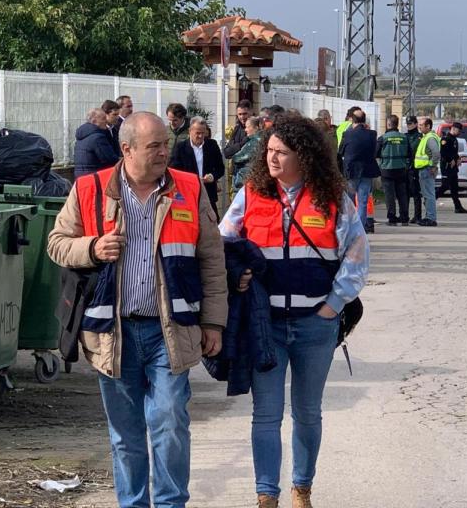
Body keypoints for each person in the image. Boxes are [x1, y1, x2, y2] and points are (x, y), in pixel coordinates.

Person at [47, 112, 227, 508]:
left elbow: (212, 260)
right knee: (125, 435)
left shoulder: (189, 189)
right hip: (113, 335)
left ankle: (170, 503)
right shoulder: (89, 189)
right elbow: (57, 243)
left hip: (171, 332)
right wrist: (91, 248)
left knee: (169, 422)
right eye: (155, 146)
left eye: (166, 144)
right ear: (126, 150)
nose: (165, 152)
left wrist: (214, 321)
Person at [218, 113, 369, 508]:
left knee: (307, 413)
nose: (271, 158)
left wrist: (333, 305)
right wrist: (237, 275)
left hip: (314, 326)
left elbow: (356, 253)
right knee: (265, 414)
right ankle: (266, 495)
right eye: (268, 151)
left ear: (303, 156)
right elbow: (223, 243)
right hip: (265, 326)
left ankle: (302, 489)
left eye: (281, 152)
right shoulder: (250, 193)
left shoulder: (333, 198)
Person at [171, 116, 226, 219]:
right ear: (190, 131)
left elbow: (220, 168)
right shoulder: (180, 147)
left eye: (203, 133)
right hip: (188, 194)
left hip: (208, 194)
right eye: (197, 133)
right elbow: (174, 170)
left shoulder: (212, 145)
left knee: (212, 224)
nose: (200, 136)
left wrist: (212, 176)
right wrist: (193, 179)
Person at [338, 109, 381, 233]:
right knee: (362, 201)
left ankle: (350, 226)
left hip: (351, 171)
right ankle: (360, 228)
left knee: (350, 201)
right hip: (367, 171)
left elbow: (340, 151)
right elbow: (373, 150)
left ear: (352, 119)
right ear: (364, 120)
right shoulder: (372, 134)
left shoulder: (348, 134)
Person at [376, 114, 412, 226]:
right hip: (401, 169)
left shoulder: (383, 138)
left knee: (389, 195)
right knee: (402, 194)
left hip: (387, 170)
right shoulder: (404, 137)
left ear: (388, 124)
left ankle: (392, 218)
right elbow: (410, 154)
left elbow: (376, 153)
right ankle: (404, 217)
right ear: (397, 124)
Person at [74, 107, 120, 178]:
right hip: (95, 178)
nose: (106, 121)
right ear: (94, 121)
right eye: (103, 118)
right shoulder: (98, 138)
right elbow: (110, 159)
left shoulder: (81, 136)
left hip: (81, 177)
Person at [436, 122, 467, 214]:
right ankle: (430, 200)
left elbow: (454, 152)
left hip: (453, 167)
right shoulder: (445, 139)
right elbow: (443, 153)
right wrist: (450, 160)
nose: (459, 133)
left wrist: (458, 158)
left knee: (454, 187)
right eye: (459, 131)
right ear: (454, 129)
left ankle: (458, 207)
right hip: (447, 166)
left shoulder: (454, 139)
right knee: (445, 185)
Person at [413, 117, 441, 226]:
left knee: (429, 195)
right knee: (427, 194)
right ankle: (429, 216)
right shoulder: (426, 137)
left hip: (427, 169)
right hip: (425, 169)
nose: (419, 127)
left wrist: (433, 166)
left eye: (421, 125)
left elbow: (436, 153)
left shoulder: (430, 138)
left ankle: (431, 218)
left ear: (428, 126)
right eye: (419, 125)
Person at [231, 116, 263, 190]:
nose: (245, 130)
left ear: (256, 127)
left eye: (248, 127)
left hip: (245, 181)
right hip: (254, 180)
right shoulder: (262, 139)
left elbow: (238, 157)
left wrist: (234, 157)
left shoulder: (254, 141)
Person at [405, 117, 424, 223]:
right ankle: (405, 215)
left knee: (415, 193)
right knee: (405, 193)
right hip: (405, 168)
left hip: (415, 168)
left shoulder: (420, 137)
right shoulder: (405, 136)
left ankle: (417, 216)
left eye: (411, 123)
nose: (408, 125)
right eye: (407, 123)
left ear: (416, 124)